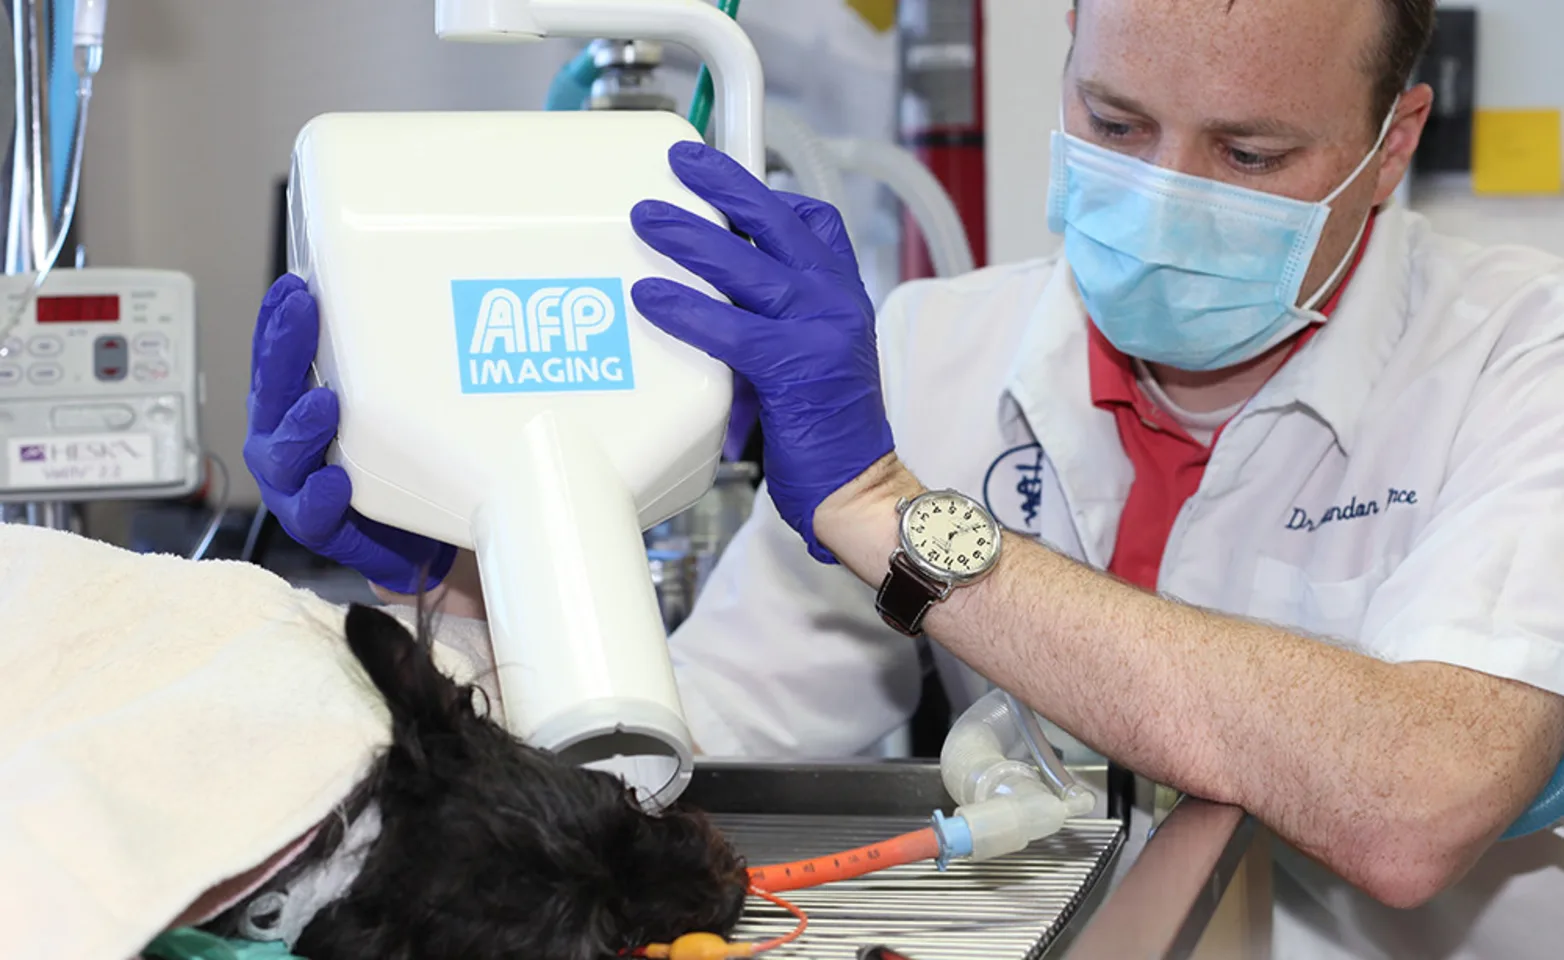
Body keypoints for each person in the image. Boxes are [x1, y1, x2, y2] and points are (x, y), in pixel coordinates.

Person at [244, 0, 1564, 955]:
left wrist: (889, 516)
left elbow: (1416, 801)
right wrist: (482, 563)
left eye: (1251, 155)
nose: (1163, 194)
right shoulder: (936, 351)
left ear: (1393, 141)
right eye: (1114, 120)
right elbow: (666, 761)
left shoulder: (1526, 355)